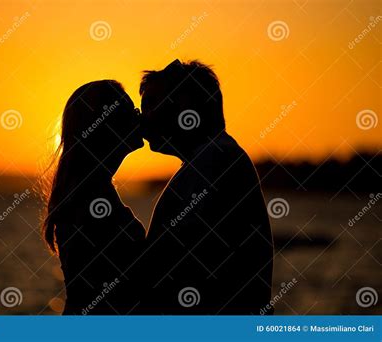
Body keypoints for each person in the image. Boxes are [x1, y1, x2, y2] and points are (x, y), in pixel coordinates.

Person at [138, 59, 274, 314]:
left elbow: (176, 262)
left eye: (152, 105)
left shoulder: (214, 159)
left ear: (184, 106)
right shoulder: (213, 158)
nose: (143, 119)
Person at [41, 80, 146, 314]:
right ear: (108, 126)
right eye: (131, 112)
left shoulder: (90, 190)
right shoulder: (90, 198)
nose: (140, 118)